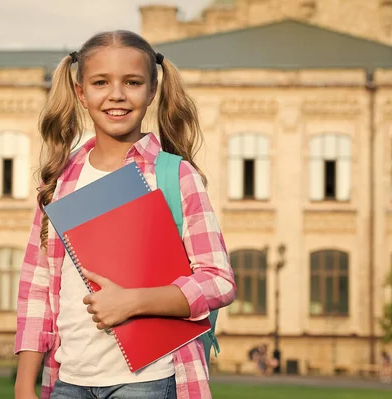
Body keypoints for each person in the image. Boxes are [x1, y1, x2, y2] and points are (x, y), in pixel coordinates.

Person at [13, 30, 236, 399]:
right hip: (69, 380)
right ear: (81, 91)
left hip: (150, 379)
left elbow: (218, 280)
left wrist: (133, 302)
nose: (117, 94)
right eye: (101, 82)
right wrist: (24, 381)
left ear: (152, 91)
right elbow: (38, 289)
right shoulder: (61, 181)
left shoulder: (172, 175)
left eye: (132, 82)